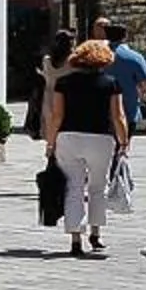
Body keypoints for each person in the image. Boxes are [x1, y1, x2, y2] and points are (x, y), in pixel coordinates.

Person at [45, 38, 129, 258]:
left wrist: (51, 142)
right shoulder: (111, 83)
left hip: (69, 137)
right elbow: (118, 116)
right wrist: (124, 141)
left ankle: (75, 238)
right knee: (97, 187)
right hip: (101, 138)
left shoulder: (64, 83)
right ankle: (96, 233)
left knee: (73, 188)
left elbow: (57, 116)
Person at [103, 22, 146, 134]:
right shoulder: (134, 57)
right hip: (128, 111)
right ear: (125, 37)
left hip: (101, 113)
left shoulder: (96, 57)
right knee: (123, 147)